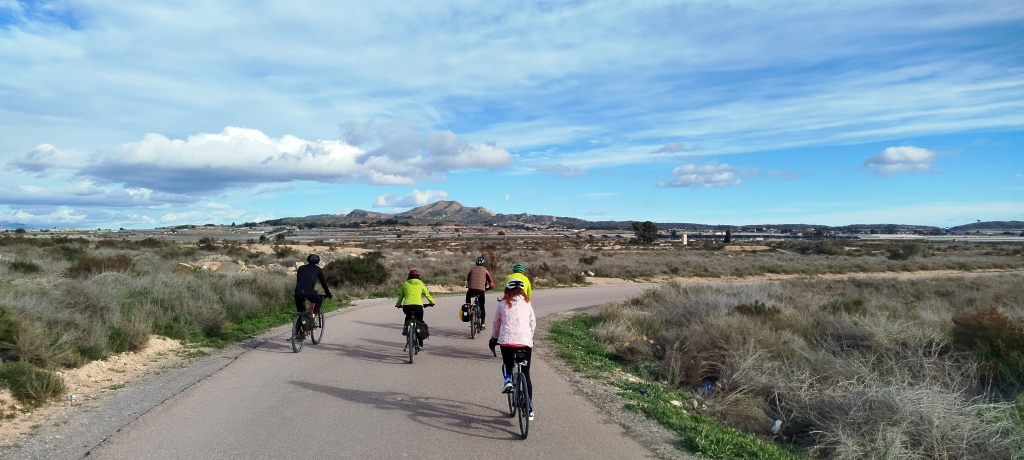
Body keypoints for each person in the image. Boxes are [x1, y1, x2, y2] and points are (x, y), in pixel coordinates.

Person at [488, 278, 537, 421]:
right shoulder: (527, 303)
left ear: (507, 290)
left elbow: (496, 323)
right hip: (525, 342)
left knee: (507, 364)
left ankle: (508, 380)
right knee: (526, 374)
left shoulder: (502, 304)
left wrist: (494, 338)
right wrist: (530, 337)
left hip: (507, 342)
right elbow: (532, 322)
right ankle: (529, 408)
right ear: (522, 291)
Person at [395, 268, 436, 348]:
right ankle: (420, 345)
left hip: (407, 307)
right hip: (418, 307)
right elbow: (427, 295)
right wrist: (432, 303)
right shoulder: (421, 284)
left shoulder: (405, 284)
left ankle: (405, 327)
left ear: (409, 276)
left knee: (408, 316)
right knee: (420, 323)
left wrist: (398, 304)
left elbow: (401, 296)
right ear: (418, 277)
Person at [294, 254, 332, 330]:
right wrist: (328, 294)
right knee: (319, 301)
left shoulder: (301, 268)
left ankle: (298, 331)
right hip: (309, 292)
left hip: (298, 292)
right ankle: (312, 316)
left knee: (301, 311)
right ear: (317, 262)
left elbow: (300, 280)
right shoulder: (318, 269)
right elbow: (323, 284)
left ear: (308, 260)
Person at [465, 256, 494, 328]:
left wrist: (469, 286)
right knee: (482, 306)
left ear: (476, 263)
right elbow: (491, 283)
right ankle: (483, 324)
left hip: (471, 289)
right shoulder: (485, 270)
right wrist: (488, 288)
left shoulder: (471, 269)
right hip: (481, 291)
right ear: (483, 264)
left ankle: (468, 308)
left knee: (468, 296)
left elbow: (468, 280)